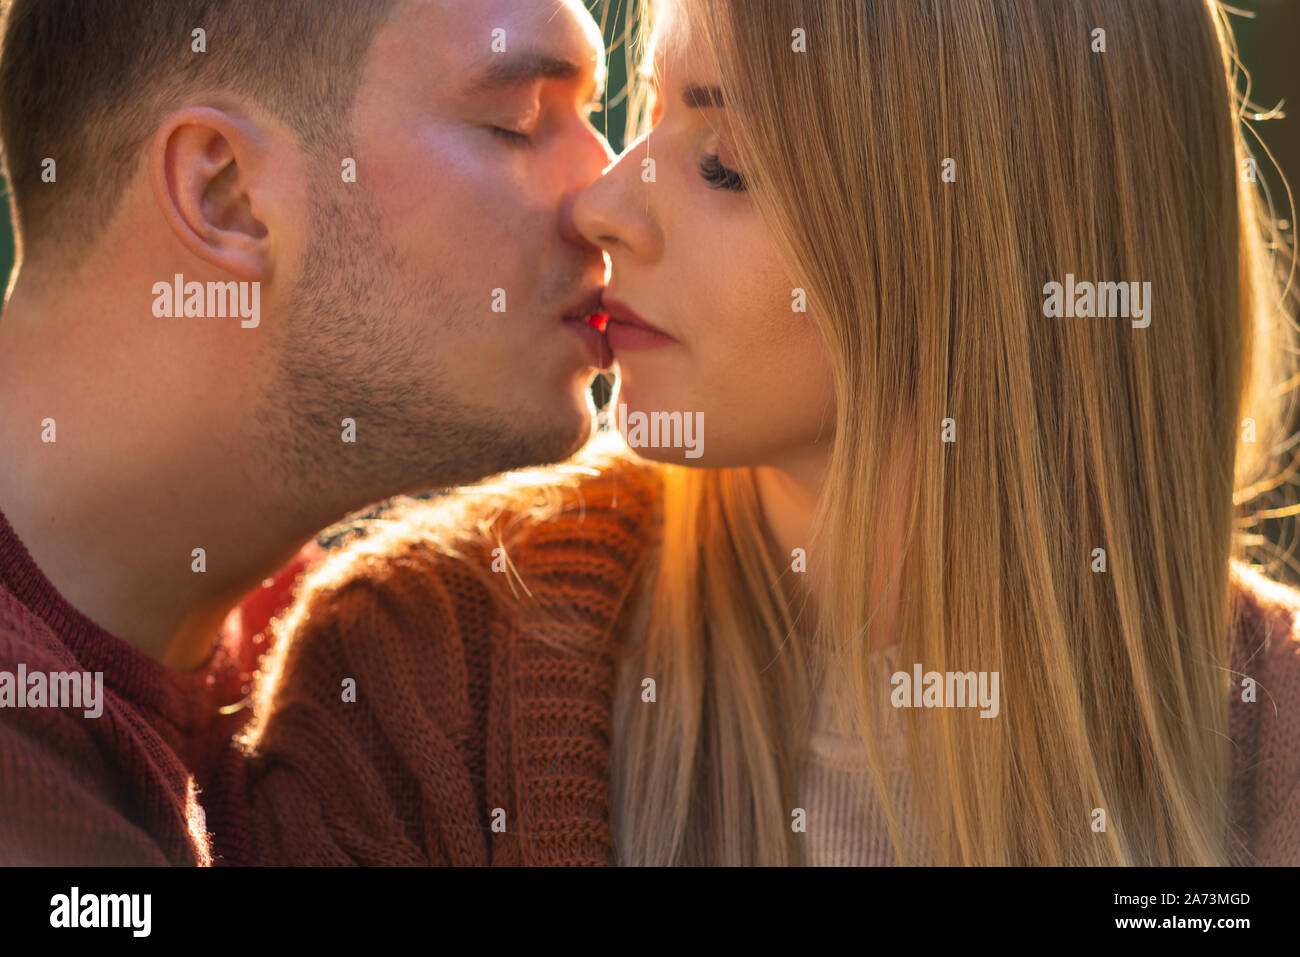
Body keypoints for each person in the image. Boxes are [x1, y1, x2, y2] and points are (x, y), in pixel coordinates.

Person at [247, 0, 1300, 865]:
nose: (602, 203)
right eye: (650, 118)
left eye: (726, 162)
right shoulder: (424, 679)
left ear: (993, 242)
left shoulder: (1276, 735)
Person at [0, 0, 615, 864]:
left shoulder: (351, 665)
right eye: (515, 122)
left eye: (592, 113)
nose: (613, 196)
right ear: (226, 194)